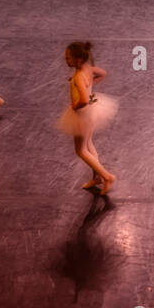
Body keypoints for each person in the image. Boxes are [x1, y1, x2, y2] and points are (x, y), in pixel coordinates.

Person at [56, 41, 117, 196]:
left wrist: (74, 106)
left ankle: (107, 176)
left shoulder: (77, 77)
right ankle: (97, 177)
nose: (65, 60)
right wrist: (91, 87)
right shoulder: (88, 69)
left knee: (80, 150)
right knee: (88, 144)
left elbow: (83, 99)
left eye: (68, 58)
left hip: (82, 114)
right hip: (92, 110)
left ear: (78, 60)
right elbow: (103, 73)